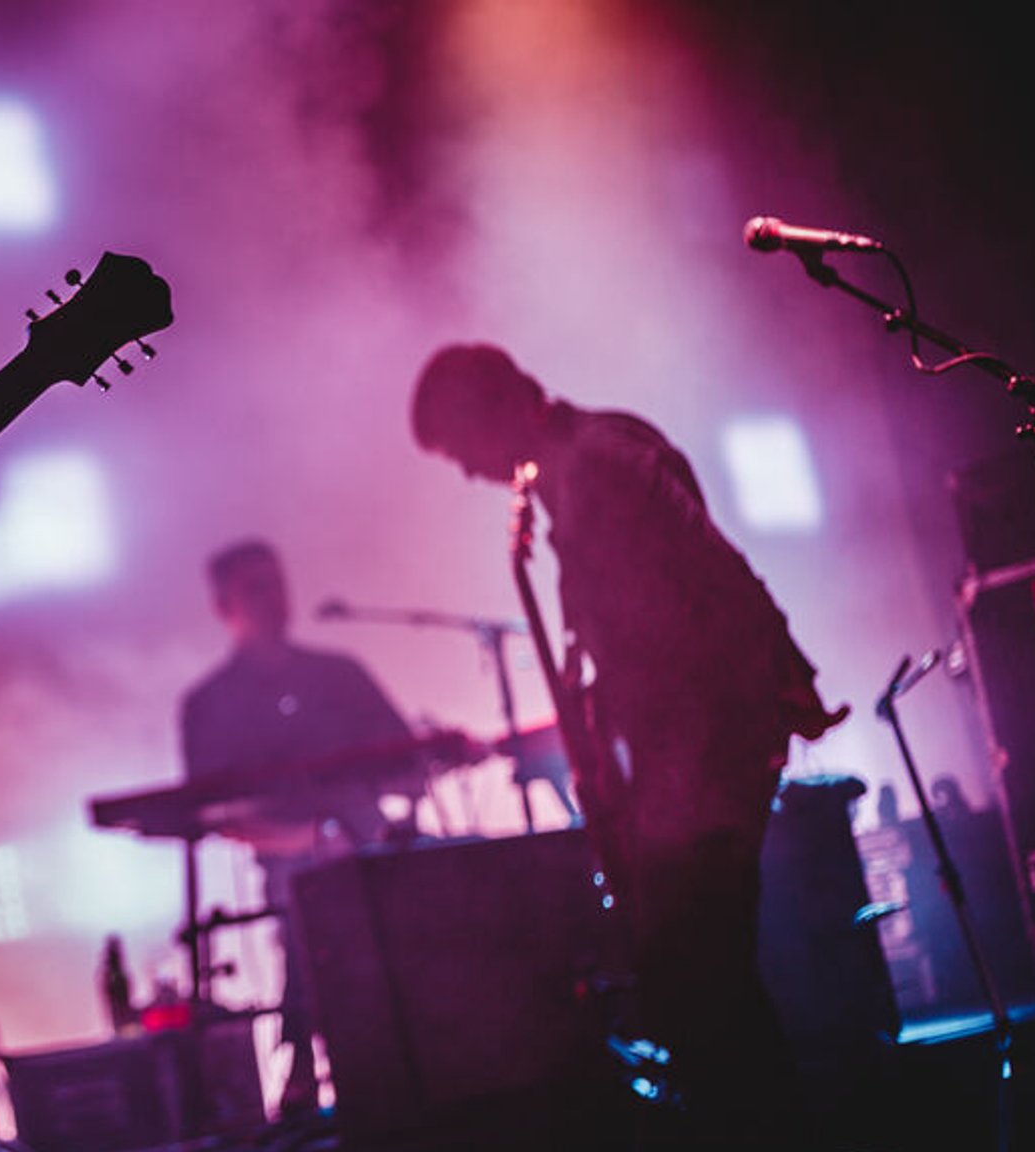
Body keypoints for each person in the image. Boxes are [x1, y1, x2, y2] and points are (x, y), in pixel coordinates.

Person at [409, 343, 847, 1145]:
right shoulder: (580, 464)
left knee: (692, 973)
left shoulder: (598, 465)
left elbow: (700, 598)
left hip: (702, 748)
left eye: (460, 450)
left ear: (489, 409)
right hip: (689, 749)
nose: (471, 474)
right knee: (698, 977)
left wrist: (727, 719)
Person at [177, 538, 422, 1118]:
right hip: (293, 865)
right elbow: (217, 815)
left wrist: (382, 816)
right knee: (309, 915)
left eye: (276, 582)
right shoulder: (208, 705)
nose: (272, 598)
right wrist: (312, 839)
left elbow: (408, 758)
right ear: (223, 606)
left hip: (375, 851)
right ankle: (305, 1077)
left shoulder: (338, 674)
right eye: (254, 587)